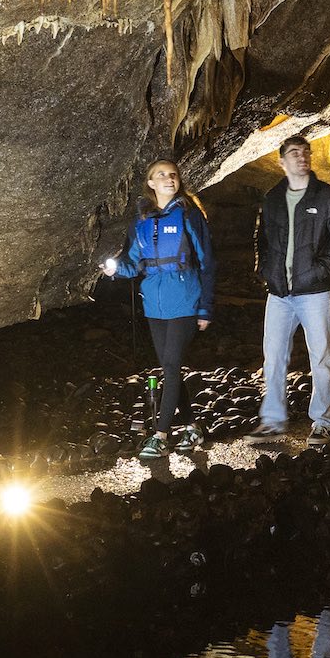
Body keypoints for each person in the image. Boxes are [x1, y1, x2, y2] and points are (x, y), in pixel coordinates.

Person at [103, 159, 216, 459]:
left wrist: (205, 307)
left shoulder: (189, 216)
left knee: (170, 366)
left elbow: (206, 262)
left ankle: (161, 434)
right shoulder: (140, 222)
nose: (169, 179)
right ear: (151, 183)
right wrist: (114, 269)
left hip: (185, 301)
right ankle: (192, 426)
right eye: (161, 175)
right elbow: (132, 263)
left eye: (173, 175)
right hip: (154, 303)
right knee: (170, 367)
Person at [253, 134, 330, 443]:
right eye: (294, 153)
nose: (302, 157)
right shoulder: (272, 198)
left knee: (321, 357)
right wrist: (264, 271)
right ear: (282, 162)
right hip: (279, 294)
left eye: (306, 152)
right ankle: (272, 420)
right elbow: (262, 239)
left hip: (314, 293)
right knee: (272, 357)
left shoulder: (327, 198)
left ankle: (322, 421)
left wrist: (318, 271)